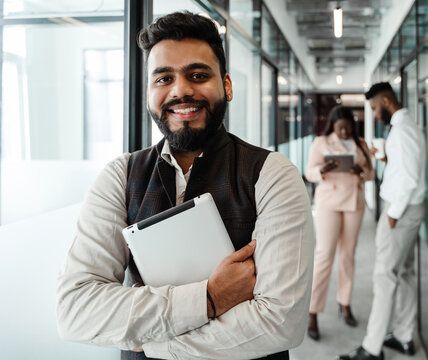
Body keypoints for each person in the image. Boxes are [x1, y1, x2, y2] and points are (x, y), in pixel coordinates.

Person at [56, 11, 314, 360]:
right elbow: (75, 310)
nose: (181, 90)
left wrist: (151, 341)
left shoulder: (271, 174)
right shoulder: (120, 175)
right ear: (148, 92)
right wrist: (209, 299)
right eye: (163, 78)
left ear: (227, 85)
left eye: (197, 75)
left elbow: (281, 322)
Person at [338, 82, 426, 360]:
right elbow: (406, 169)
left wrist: (392, 215)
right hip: (408, 209)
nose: (375, 115)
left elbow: (410, 178)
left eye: (375, 108)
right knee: (405, 273)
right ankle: (404, 336)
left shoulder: (402, 131)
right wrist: (387, 158)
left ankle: (372, 348)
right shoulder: (407, 128)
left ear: (386, 101)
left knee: (384, 276)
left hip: (400, 210)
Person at [304, 105, 375, 340]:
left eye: (348, 128)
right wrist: (322, 169)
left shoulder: (361, 143)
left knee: (348, 255)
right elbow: (309, 172)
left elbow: (371, 174)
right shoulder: (321, 142)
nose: (345, 132)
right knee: (325, 255)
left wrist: (360, 171)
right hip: (329, 203)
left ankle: (344, 302)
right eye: (341, 128)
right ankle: (313, 311)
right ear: (333, 126)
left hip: (354, 201)